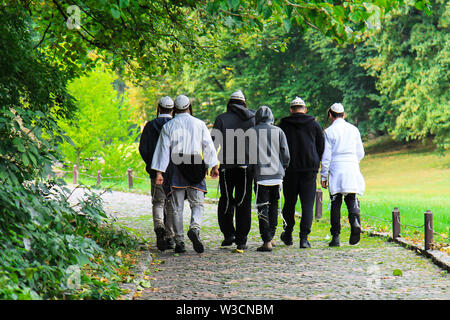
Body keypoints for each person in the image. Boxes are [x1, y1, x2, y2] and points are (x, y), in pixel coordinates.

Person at [151, 95, 219, 254]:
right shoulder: (199, 124)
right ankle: (195, 228)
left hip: (176, 166)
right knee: (198, 203)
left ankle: (179, 240)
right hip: (195, 164)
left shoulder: (169, 126)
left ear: (175, 109)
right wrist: (213, 166)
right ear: (189, 107)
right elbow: (208, 146)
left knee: (176, 207)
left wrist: (160, 172)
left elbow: (163, 150)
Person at [279, 97, 325, 248]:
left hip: (289, 169)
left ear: (291, 110)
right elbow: (321, 146)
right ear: (304, 109)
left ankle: (288, 233)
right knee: (307, 204)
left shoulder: (284, 125)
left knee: (289, 203)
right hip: (309, 170)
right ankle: (304, 238)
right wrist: (315, 160)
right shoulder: (314, 124)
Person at [212, 90, 255, 251]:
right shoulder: (253, 118)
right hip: (246, 167)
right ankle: (242, 239)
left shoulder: (221, 119)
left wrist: (212, 164)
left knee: (227, 200)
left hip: (227, 166)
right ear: (244, 103)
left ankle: (228, 234)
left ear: (229, 104)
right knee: (244, 202)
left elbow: (213, 144)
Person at [320, 103, 365, 247]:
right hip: (351, 165)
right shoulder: (354, 129)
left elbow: (326, 156)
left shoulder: (329, 132)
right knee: (351, 198)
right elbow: (360, 152)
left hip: (336, 167)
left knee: (336, 202)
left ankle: (336, 236)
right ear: (343, 115)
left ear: (330, 115)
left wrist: (323, 175)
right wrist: (353, 162)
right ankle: (354, 221)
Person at [138, 96, 175, 251]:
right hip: (173, 171)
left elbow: (143, 148)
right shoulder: (175, 125)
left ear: (159, 108)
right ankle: (170, 235)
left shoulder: (150, 125)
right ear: (172, 109)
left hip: (155, 171)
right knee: (172, 203)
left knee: (158, 202)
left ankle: (159, 227)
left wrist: (151, 164)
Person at [253, 106, 290, 252]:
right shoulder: (279, 131)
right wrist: (283, 167)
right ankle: (272, 236)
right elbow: (285, 153)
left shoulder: (252, 132)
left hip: (261, 175)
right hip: (277, 174)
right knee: (274, 205)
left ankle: (266, 239)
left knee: (262, 206)